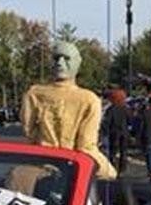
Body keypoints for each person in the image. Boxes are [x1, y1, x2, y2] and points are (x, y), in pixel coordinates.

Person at [21, 41, 117, 179]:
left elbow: (29, 133)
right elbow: (86, 147)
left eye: (66, 58)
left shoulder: (34, 93)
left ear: (77, 63)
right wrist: (109, 171)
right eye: (56, 58)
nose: (60, 63)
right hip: (73, 169)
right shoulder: (89, 99)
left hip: (42, 164)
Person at [103, 88, 132, 174]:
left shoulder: (111, 109)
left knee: (113, 151)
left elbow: (107, 121)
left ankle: (113, 166)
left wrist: (105, 131)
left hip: (114, 132)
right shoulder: (126, 108)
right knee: (124, 151)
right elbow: (130, 120)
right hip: (124, 132)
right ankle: (122, 168)